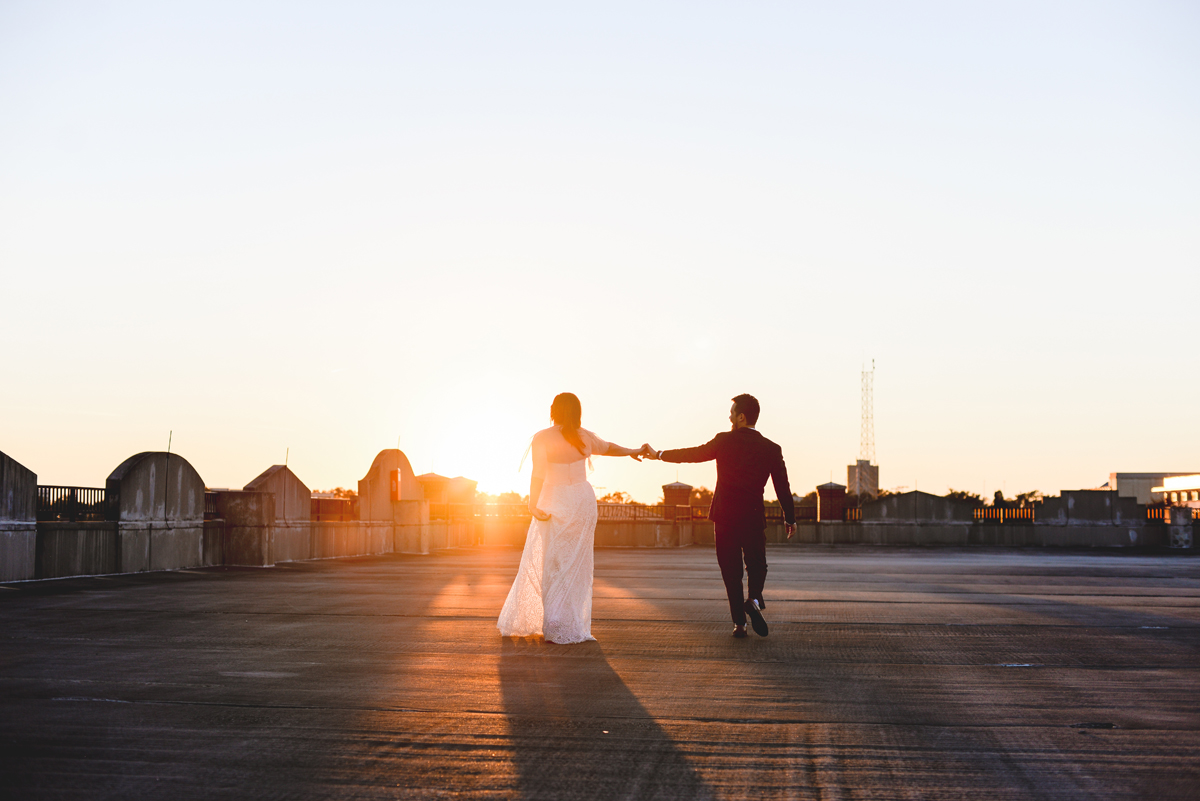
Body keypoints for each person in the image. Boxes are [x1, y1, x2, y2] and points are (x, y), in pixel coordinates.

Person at [497, 392, 650, 644]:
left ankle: (555, 621)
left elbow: (538, 473)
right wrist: (633, 450)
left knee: (554, 561)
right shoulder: (584, 436)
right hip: (581, 500)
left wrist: (532, 503)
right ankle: (569, 622)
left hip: (554, 498)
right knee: (576, 563)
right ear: (577, 412)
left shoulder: (543, 437)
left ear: (554, 410)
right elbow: (609, 447)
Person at [646, 394, 794, 639]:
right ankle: (755, 599)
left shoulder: (723, 441)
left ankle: (740, 624)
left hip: (725, 517)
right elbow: (783, 487)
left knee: (731, 571)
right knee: (758, 564)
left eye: (732, 413)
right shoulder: (771, 448)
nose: (729, 417)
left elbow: (693, 453)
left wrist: (659, 454)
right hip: (753, 516)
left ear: (741, 416)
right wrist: (790, 518)